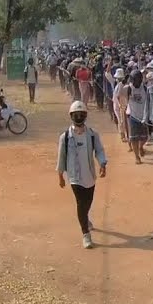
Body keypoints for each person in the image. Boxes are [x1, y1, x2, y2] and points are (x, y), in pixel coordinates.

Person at [55, 100, 108, 249]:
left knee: (88, 202)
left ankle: (85, 218)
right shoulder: (65, 137)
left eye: (81, 114)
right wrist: (60, 176)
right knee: (81, 203)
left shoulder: (92, 135)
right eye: (76, 115)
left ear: (85, 116)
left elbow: (99, 150)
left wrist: (103, 164)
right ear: (71, 116)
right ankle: (86, 234)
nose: (78, 117)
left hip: (90, 176)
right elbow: (61, 157)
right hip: (74, 177)